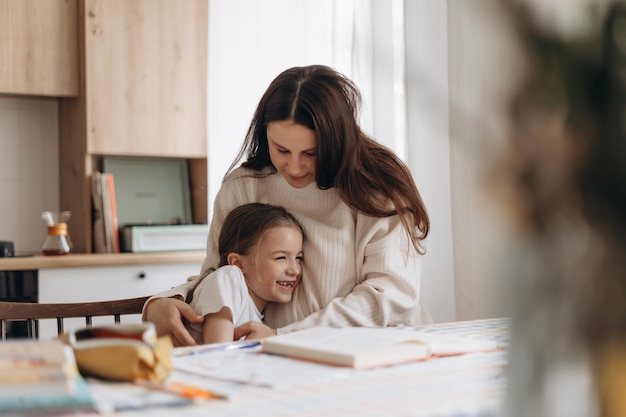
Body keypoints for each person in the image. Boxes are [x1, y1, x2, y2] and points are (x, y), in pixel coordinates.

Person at [143, 64, 431, 346]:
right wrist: (165, 301)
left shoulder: (378, 190)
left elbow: (390, 297)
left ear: (338, 141)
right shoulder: (244, 187)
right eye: (281, 149)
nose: (294, 167)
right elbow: (220, 274)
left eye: (311, 152)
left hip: (372, 352)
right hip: (274, 358)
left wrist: (289, 335)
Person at [185, 202, 304, 344]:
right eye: (281, 258)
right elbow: (217, 354)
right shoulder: (227, 279)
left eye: (298, 258)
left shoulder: (260, 311)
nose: (295, 270)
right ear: (238, 263)